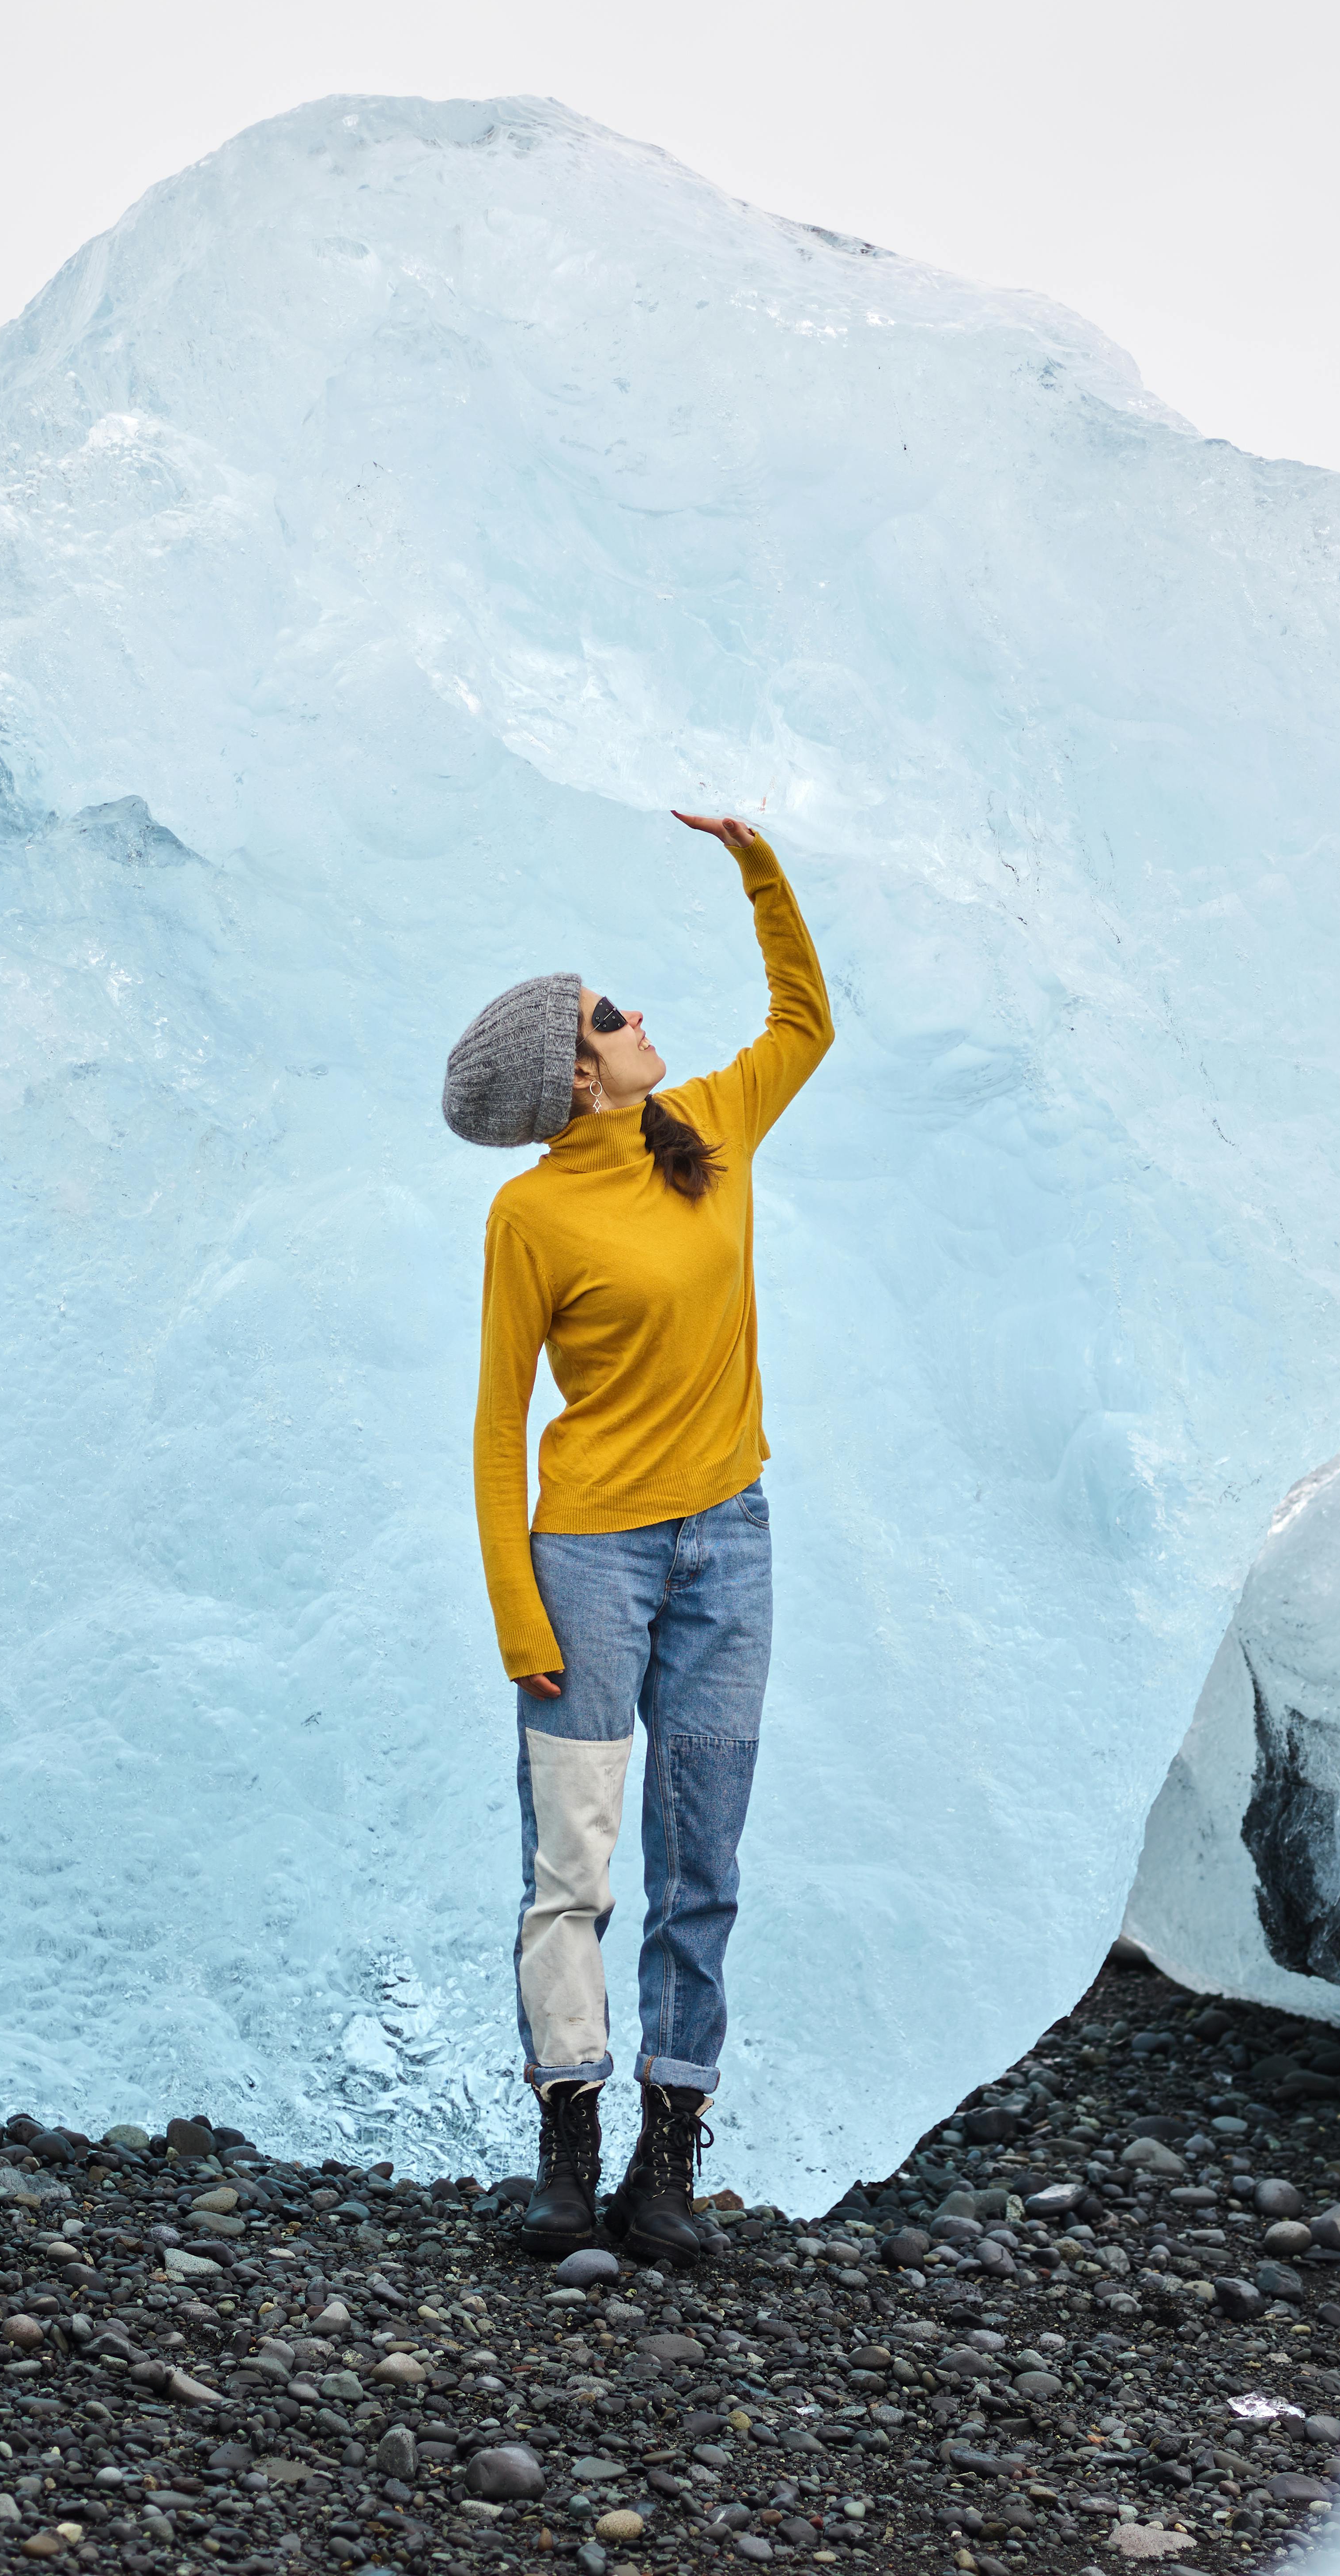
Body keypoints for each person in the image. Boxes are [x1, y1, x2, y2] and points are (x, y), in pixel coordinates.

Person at [437, 808, 834, 2262]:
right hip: (590, 1562)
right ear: (574, 1074)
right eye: (610, 1016)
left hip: (732, 1542)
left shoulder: (711, 1128)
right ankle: (568, 2154)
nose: (637, 1018)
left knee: (701, 1861)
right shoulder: (529, 1216)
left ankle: (666, 2169)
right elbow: (499, 1424)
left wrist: (759, 870)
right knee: (576, 1870)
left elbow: (807, 1023)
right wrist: (517, 1611)